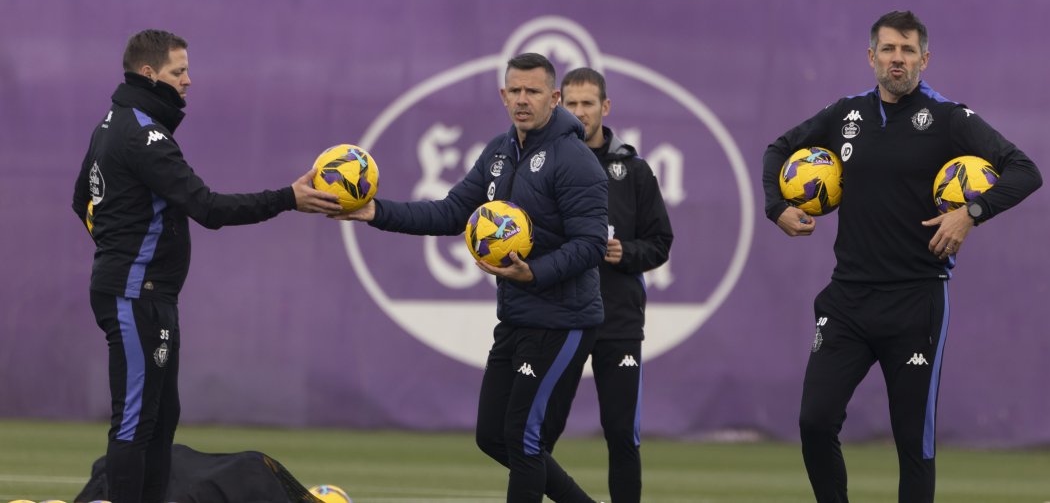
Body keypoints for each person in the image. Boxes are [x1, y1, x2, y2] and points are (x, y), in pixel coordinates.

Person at [761, 11, 1042, 503]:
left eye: (908, 50)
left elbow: (1025, 170)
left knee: (914, 443)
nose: (898, 59)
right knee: (814, 421)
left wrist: (970, 212)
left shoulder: (949, 118)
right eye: (888, 49)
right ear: (871, 57)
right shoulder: (845, 115)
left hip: (916, 299)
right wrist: (776, 207)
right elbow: (778, 149)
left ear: (924, 59)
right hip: (848, 299)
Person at [71, 29, 344, 503]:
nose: (189, 81)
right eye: (180, 72)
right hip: (137, 293)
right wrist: (288, 198)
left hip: (148, 292)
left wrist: (117, 246)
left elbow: (83, 201)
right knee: (136, 420)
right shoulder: (144, 136)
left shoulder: (113, 122)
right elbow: (208, 208)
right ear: (149, 73)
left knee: (160, 419)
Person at [336, 52, 608, 503]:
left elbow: (591, 244)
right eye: (515, 91)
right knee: (492, 437)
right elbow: (450, 212)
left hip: (564, 321)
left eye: (533, 91)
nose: (523, 100)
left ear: (554, 97)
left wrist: (533, 271)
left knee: (524, 440)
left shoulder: (574, 159)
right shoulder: (499, 153)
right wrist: (374, 212)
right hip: (519, 315)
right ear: (503, 95)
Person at [560, 68, 673, 503]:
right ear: (559, 106)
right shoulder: (547, 164)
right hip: (562, 316)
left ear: (605, 108)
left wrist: (625, 253)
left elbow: (661, 243)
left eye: (588, 103)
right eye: (571, 103)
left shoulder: (635, 170)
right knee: (540, 431)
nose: (580, 112)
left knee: (623, 435)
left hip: (618, 321)